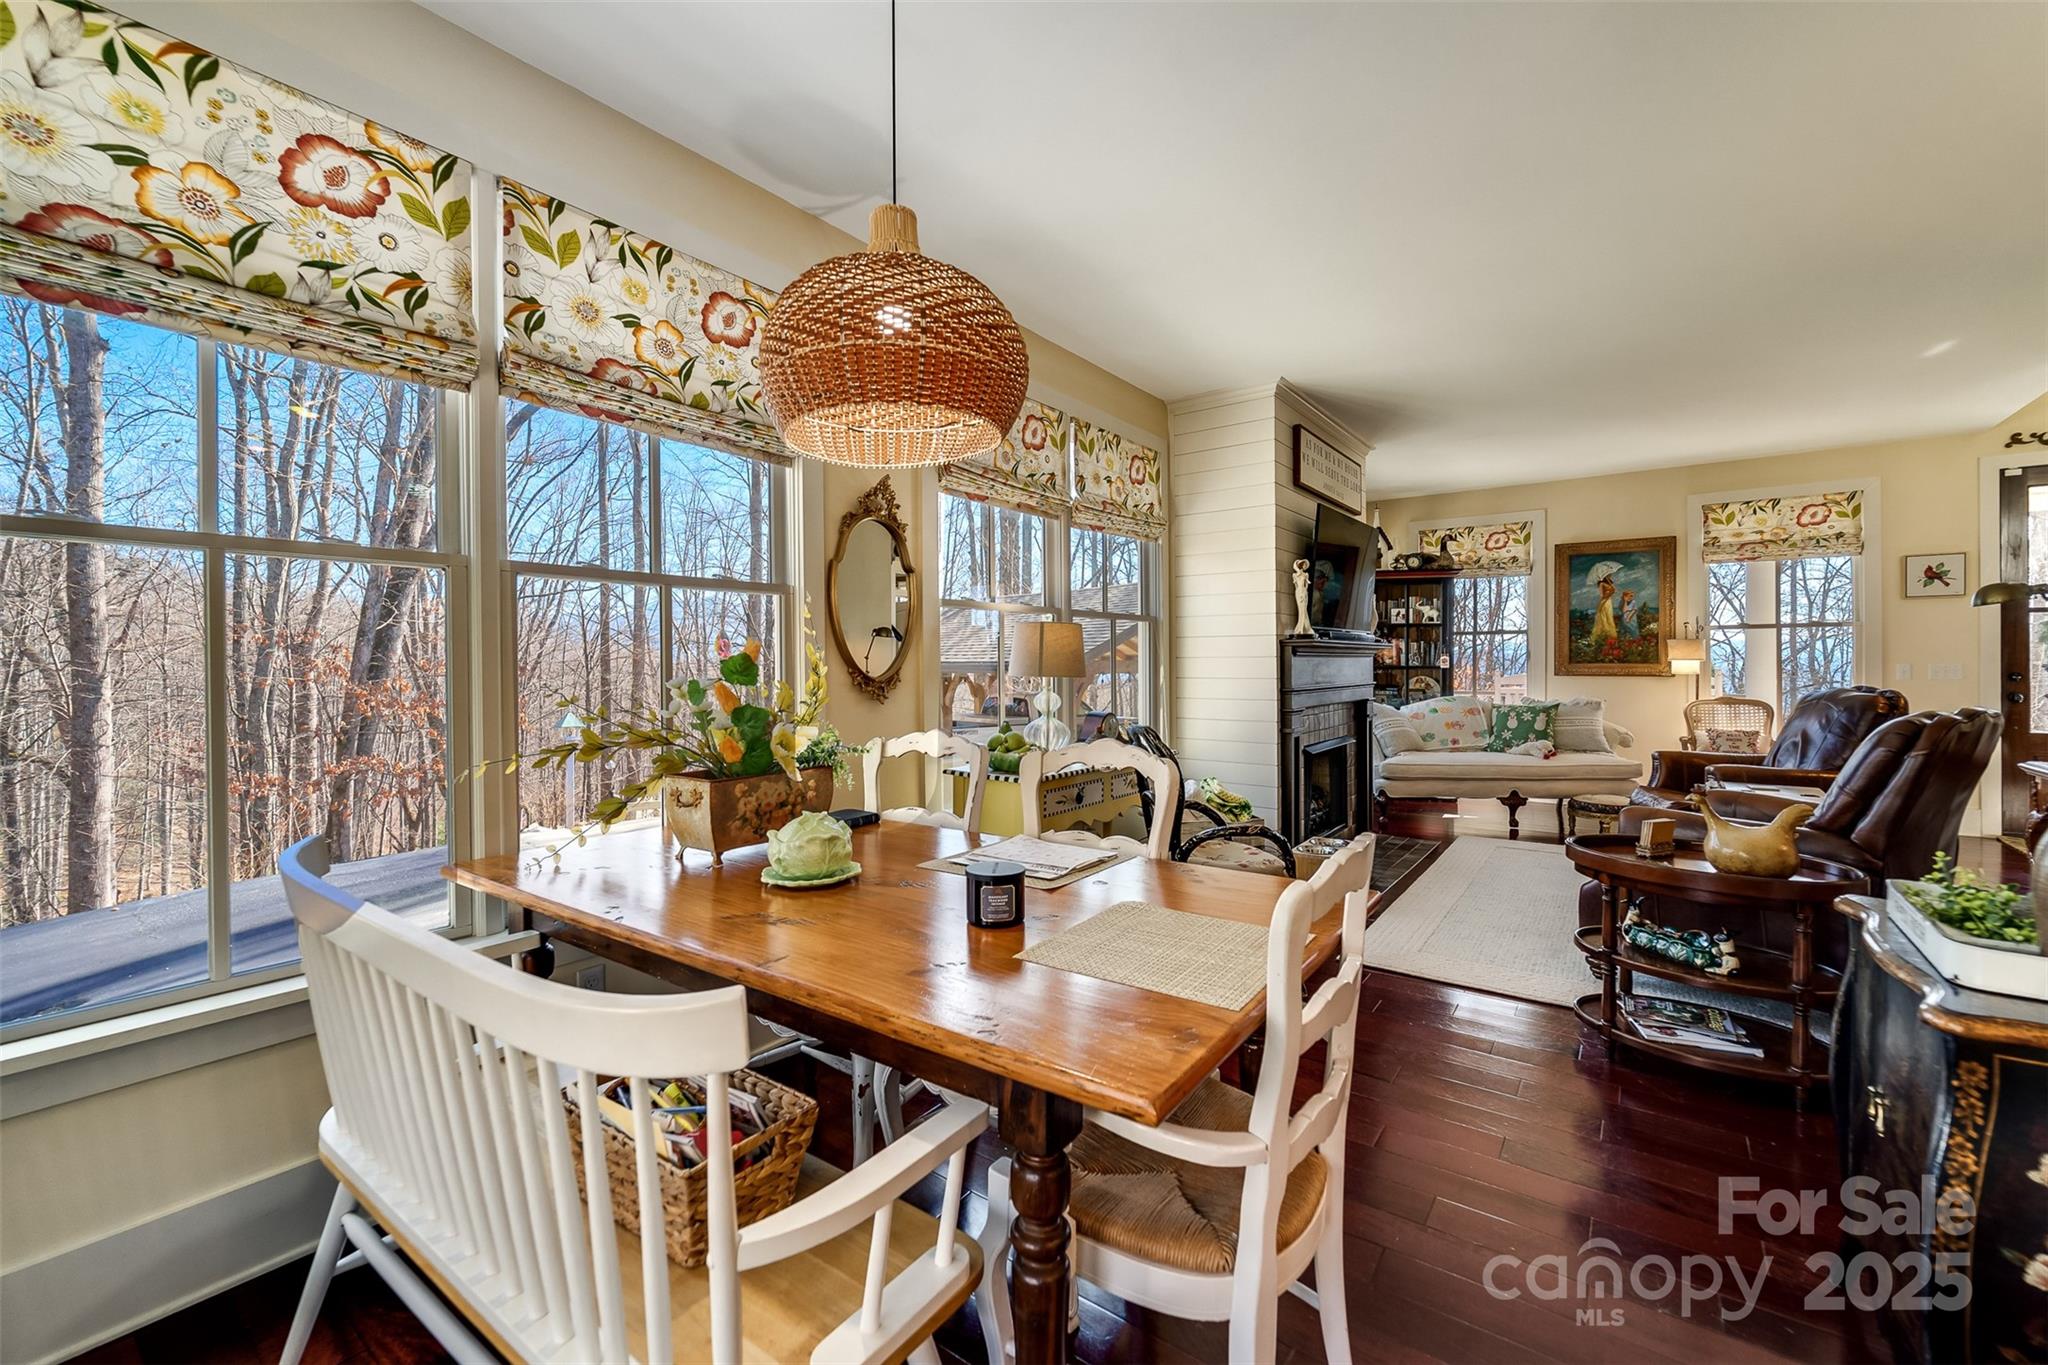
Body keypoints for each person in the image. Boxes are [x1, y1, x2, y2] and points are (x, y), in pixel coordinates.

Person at [1590, 575, 1618, 648]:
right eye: (1609, 574)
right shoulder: (1601, 584)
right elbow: (1602, 595)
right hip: (1604, 602)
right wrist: (1610, 593)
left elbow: (1613, 590)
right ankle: (1604, 638)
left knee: (1609, 618)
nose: (1610, 575)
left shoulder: (1609, 583)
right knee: (1604, 619)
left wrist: (1612, 589)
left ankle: (1611, 639)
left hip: (1609, 602)